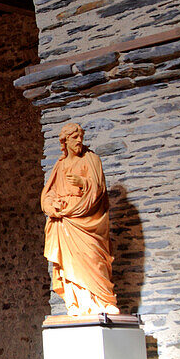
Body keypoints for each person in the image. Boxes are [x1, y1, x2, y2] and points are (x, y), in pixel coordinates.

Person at [41, 123, 120, 318]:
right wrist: (52, 207)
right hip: (65, 221)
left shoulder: (91, 159)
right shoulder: (60, 165)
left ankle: (104, 300)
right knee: (70, 263)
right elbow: (48, 194)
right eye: (74, 138)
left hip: (86, 220)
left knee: (94, 258)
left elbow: (99, 189)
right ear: (65, 141)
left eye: (80, 137)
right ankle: (76, 302)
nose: (79, 141)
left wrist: (83, 183)